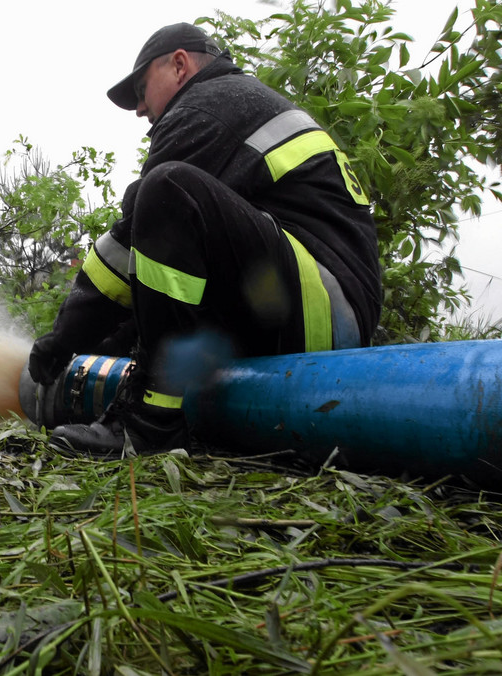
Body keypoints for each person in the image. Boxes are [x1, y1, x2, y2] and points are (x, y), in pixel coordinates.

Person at [27, 23, 382, 457]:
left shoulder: (210, 105)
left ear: (180, 65)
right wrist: (99, 344)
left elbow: (123, 248)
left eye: (142, 88)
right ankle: (122, 403)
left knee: (165, 190)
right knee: (146, 278)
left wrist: (61, 340)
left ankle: (152, 424)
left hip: (322, 308)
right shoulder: (239, 103)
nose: (140, 108)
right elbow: (166, 272)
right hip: (308, 304)